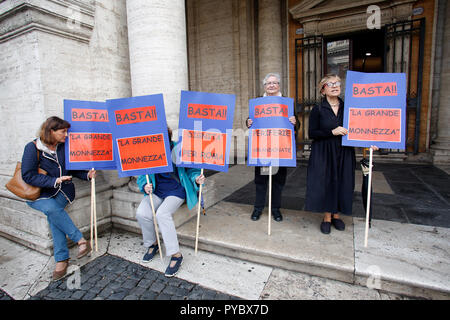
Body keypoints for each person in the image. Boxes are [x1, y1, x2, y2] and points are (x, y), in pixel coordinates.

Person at [21, 116, 96, 280]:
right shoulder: (32, 148)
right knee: (51, 209)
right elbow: (27, 176)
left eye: (67, 131)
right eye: (63, 131)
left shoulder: (64, 147)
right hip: (39, 194)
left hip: (63, 192)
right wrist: (53, 181)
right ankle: (79, 240)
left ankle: (62, 260)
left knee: (54, 214)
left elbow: (73, 169)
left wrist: (87, 175)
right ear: (51, 131)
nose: (66, 135)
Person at [304, 74, 378, 234]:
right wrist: (332, 131)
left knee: (342, 181)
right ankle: (327, 217)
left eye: (337, 83)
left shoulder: (349, 108)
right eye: (330, 84)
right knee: (327, 182)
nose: (335, 85)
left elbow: (360, 129)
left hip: (344, 151)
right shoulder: (318, 109)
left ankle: (336, 215)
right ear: (323, 90)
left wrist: (369, 141)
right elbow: (312, 133)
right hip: (324, 150)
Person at [135, 128, 205, 277]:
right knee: (142, 213)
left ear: (167, 138)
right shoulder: (148, 151)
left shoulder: (178, 149)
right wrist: (144, 186)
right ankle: (152, 244)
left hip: (176, 190)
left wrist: (197, 179)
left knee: (162, 214)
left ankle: (176, 254)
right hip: (157, 191)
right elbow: (142, 174)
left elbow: (192, 170)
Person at [246, 73, 296, 222]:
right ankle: (258, 208)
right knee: (261, 181)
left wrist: (295, 122)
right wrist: (247, 122)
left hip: (281, 149)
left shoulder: (286, 103)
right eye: (268, 83)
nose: (272, 85)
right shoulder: (258, 103)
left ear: (279, 85)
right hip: (263, 149)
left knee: (278, 182)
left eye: (274, 83)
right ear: (265, 86)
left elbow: (295, 124)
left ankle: (275, 209)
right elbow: (252, 121)